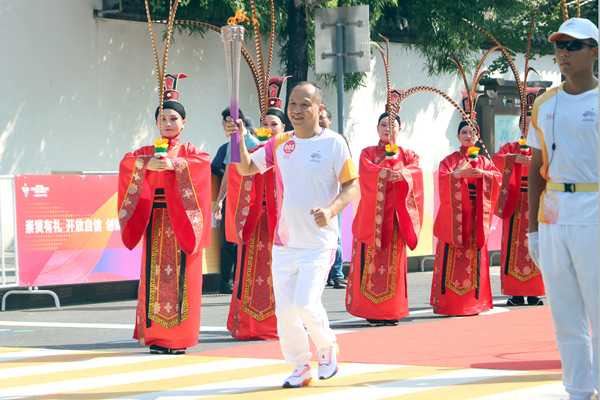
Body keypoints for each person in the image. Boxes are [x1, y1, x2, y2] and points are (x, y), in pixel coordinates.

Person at [225, 81, 358, 388]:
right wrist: (239, 138)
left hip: (319, 242)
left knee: (305, 304)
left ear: (319, 108)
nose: (297, 110)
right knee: (285, 311)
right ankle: (300, 365)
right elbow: (246, 168)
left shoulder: (334, 143)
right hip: (284, 241)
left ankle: (326, 346)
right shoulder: (280, 142)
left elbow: (352, 185)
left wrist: (331, 211)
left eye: (305, 104)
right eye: (293, 104)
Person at [527, 18, 598, 400]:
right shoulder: (544, 104)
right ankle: (577, 391)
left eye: (573, 45)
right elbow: (536, 167)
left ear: (594, 52)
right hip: (553, 211)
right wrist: (533, 231)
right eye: (559, 45)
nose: (563, 52)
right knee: (565, 316)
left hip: (594, 210)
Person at [118, 73, 212, 354]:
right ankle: (157, 337)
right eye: (163, 119)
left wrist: (176, 166)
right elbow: (127, 163)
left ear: (184, 122)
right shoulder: (147, 151)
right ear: (156, 123)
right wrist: (145, 164)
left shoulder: (191, 150)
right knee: (154, 277)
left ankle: (179, 339)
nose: (168, 123)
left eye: (173, 118)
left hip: (182, 222)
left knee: (184, 279)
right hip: (156, 222)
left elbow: (202, 165)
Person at [224, 76, 291, 340]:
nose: (270, 128)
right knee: (249, 269)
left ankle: (282, 324)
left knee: (283, 271)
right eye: (266, 124)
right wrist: (239, 137)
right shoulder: (258, 151)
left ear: (284, 127)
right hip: (255, 218)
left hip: (282, 223)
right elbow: (240, 168)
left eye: (275, 124)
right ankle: (248, 324)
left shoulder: (291, 150)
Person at [346, 111, 424, 326]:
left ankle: (392, 311)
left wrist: (404, 175)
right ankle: (370, 311)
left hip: (397, 219)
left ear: (400, 128)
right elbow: (366, 173)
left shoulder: (409, 155)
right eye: (383, 124)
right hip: (372, 218)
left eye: (392, 125)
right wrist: (386, 174)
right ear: (377, 128)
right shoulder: (368, 153)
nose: (387, 129)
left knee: (394, 267)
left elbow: (415, 172)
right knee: (369, 263)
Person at [430, 121, 501, 316]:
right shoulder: (450, 161)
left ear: (478, 137)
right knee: (451, 257)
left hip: (476, 217)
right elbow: (443, 179)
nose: (468, 136)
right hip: (455, 218)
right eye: (464, 132)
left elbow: (497, 178)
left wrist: (483, 174)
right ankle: (450, 304)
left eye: (472, 132)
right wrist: (459, 174)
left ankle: (474, 303)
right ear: (458, 136)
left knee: (474, 257)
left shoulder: (485, 162)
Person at [492, 114, 545, 306]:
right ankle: (515, 293)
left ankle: (534, 293)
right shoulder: (510, 148)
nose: (528, 127)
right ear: (519, 126)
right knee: (511, 245)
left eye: (531, 124)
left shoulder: (543, 148)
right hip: (515, 202)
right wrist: (514, 159)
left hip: (536, 201)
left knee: (538, 244)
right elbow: (496, 160)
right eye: (524, 124)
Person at [214, 108, 259, 294]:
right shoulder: (230, 145)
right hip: (232, 200)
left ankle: (247, 279)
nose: (224, 127)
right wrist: (220, 200)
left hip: (249, 201)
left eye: (226, 124)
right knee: (229, 242)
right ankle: (234, 279)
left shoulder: (254, 144)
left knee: (246, 242)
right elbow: (227, 172)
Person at [318, 107, 348, 289]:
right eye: (317, 118)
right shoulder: (308, 140)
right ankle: (323, 274)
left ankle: (337, 274)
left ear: (330, 120)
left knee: (335, 237)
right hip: (315, 196)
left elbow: (347, 171)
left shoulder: (337, 141)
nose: (319, 121)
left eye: (322, 118)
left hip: (334, 197)